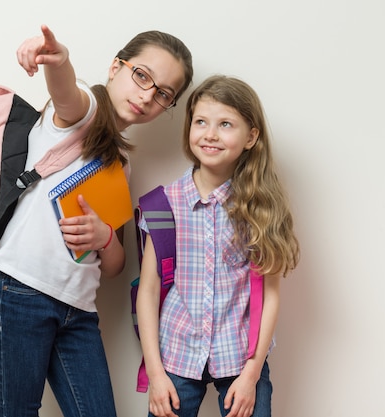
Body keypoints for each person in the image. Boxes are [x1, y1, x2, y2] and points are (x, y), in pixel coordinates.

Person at [0, 24, 193, 417]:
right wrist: (58, 59)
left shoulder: (122, 163)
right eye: (141, 75)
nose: (147, 96)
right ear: (116, 67)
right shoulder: (83, 116)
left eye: (163, 93)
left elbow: (113, 268)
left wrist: (103, 237)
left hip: (77, 309)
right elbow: (67, 94)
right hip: (20, 292)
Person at [136, 75, 300, 417]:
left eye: (225, 124)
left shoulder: (262, 208)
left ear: (251, 136)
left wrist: (252, 373)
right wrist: (155, 374)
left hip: (241, 358)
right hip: (176, 356)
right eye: (201, 122)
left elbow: (270, 294)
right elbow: (148, 292)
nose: (210, 134)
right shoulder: (163, 204)